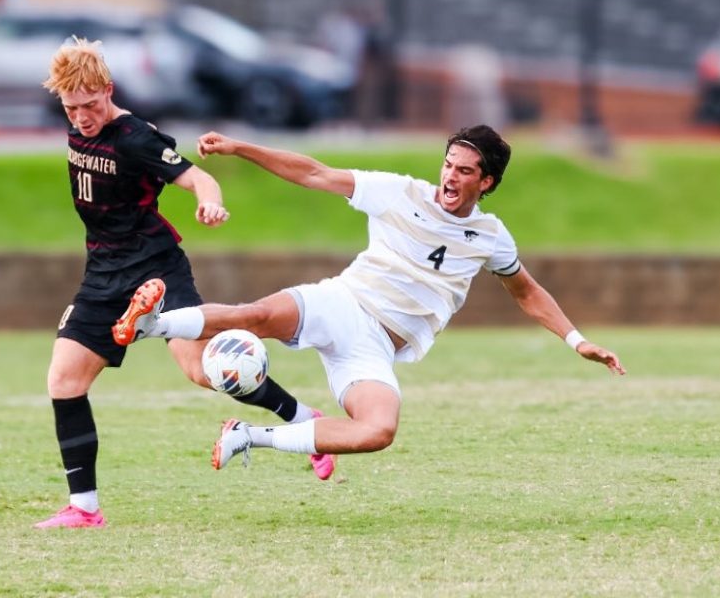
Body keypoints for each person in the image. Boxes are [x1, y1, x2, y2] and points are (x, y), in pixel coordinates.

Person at [111, 125, 626, 471]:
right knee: (257, 315)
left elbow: (527, 292)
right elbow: (313, 172)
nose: (450, 176)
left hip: (374, 348)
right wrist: (241, 147)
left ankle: (250, 435)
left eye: (465, 171)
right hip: (344, 302)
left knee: (378, 430)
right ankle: (150, 324)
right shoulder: (399, 191)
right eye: (449, 164)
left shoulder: (491, 237)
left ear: (486, 182)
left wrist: (576, 340)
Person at [35, 38, 335, 530]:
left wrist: (209, 202)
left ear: (108, 90)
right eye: (72, 109)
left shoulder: (135, 136)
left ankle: (307, 420)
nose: (83, 117)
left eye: (91, 105)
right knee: (64, 381)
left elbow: (199, 179)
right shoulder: (77, 128)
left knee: (201, 370)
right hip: (103, 274)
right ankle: (84, 509)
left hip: (155, 268)